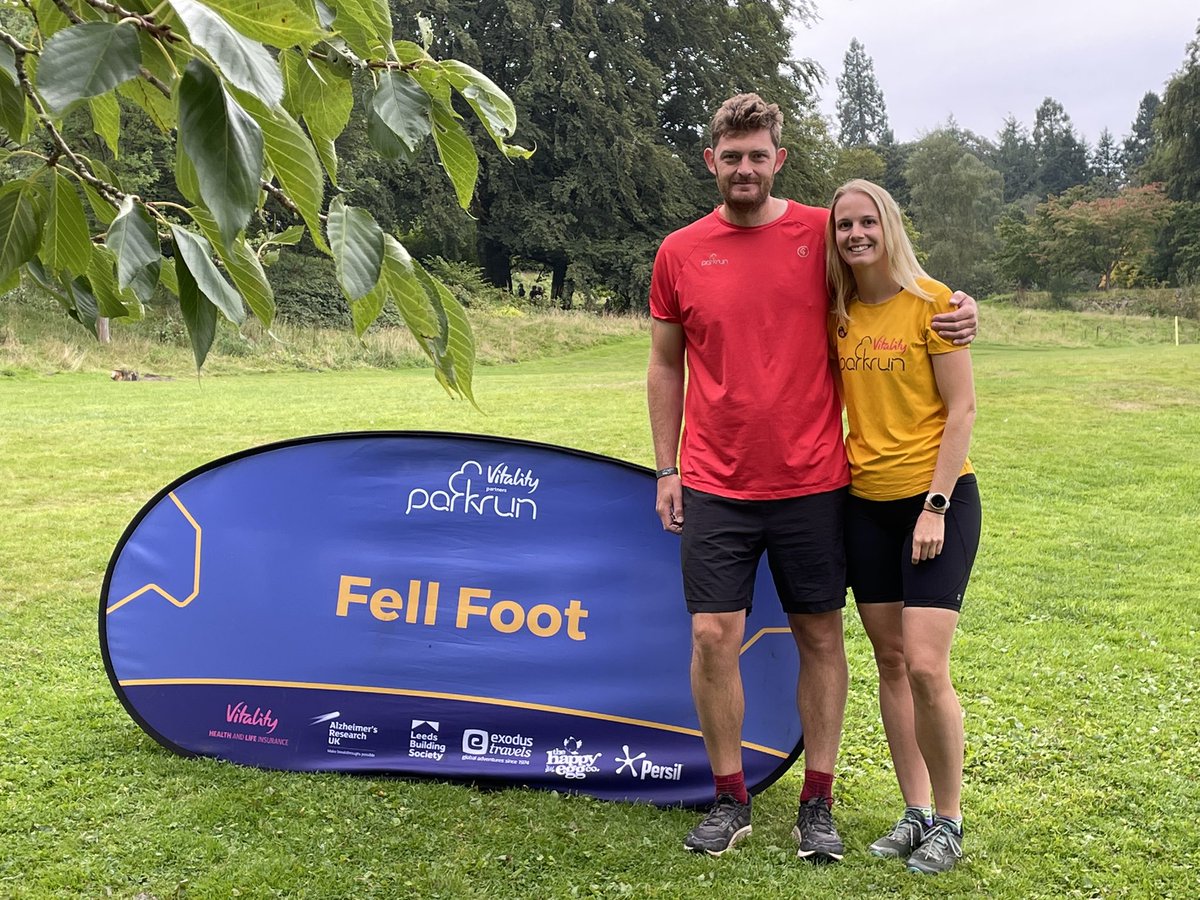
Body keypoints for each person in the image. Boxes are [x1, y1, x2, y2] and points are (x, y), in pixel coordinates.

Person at [646, 94, 977, 861]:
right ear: (712, 161)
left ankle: (817, 803)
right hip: (716, 483)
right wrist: (667, 467)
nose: (745, 168)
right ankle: (729, 798)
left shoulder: (821, 236)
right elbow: (664, 366)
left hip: (816, 484)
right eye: (732, 156)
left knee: (821, 638)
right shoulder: (679, 252)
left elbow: (892, 279)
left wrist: (961, 308)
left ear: (779, 160)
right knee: (712, 637)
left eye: (758, 155)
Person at [826, 178, 981, 875]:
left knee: (924, 664)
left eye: (868, 222)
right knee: (889, 661)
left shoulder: (936, 304)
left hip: (937, 502)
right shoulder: (837, 312)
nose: (856, 234)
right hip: (865, 505)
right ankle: (914, 809)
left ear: (889, 226)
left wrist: (935, 506)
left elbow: (963, 410)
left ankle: (949, 820)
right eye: (844, 225)